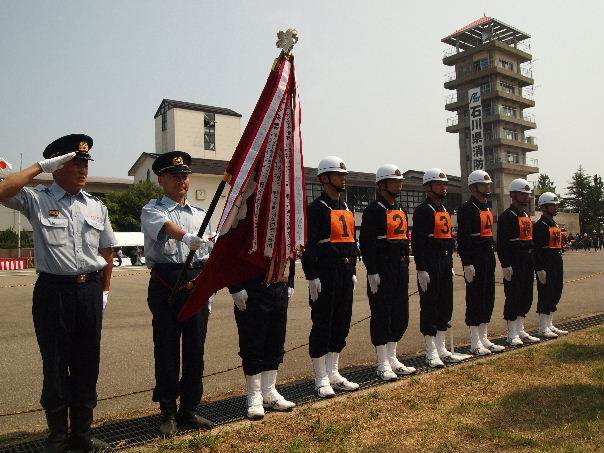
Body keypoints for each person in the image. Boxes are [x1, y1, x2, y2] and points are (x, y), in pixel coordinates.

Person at [0, 134, 115, 452]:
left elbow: (107, 251)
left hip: (89, 291)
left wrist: (104, 290)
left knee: (87, 362)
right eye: (75, 162)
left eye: (84, 162)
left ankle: (81, 434)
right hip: (54, 293)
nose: (82, 168)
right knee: (55, 364)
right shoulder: (38, 199)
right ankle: (57, 437)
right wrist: (39, 167)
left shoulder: (96, 205)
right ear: (58, 166)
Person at [141, 151, 214, 435]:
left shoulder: (200, 214)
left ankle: (189, 409)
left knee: (196, 349)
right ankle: (168, 411)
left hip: (196, 283)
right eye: (174, 176)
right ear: (161, 180)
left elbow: (208, 251)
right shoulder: (153, 208)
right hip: (166, 283)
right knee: (167, 349)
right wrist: (186, 237)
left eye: (184, 176)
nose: (181, 180)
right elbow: (166, 228)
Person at [302, 156, 360, 398]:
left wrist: (354, 270)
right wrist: (311, 275)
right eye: (338, 175)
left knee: (342, 321)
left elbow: (350, 242)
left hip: (345, 271)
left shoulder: (345, 207)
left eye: (344, 175)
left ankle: (333, 371)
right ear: (325, 178)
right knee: (323, 323)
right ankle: (320, 377)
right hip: (325, 272)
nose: (343, 178)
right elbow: (308, 244)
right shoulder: (316, 209)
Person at [359, 164, 416, 381]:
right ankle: (382, 361)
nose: (398, 184)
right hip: (382, 268)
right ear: (382, 184)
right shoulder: (374, 210)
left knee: (400, 313)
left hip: (400, 267)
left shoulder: (399, 209)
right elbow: (366, 243)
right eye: (394, 181)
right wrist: (372, 270)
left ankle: (393, 357)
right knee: (382, 313)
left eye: (400, 181)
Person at [412, 168, 466, 368]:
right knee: (430, 306)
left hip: (444, 262)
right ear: (428, 187)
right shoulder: (423, 211)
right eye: (439, 184)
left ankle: (441, 347)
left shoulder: (444, 210)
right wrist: (421, 267)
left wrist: (450, 263)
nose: (444, 187)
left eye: (445, 184)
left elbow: (448, 239)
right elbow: (418, 241)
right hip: (430, 262)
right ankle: (430, 351)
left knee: (446, 304)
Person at [230, 260, 297, 419]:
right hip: (251, 287)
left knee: (276, 340)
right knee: (253, 342)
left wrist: (290, 280)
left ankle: (269, 391)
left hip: (279, 285)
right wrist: (235, 287)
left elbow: (290, 250)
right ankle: (254, 396)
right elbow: (230, 252)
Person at [457, 170, 505, 356]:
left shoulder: (486, 207)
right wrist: (467, 263)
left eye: (488, 184)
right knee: (475, 298)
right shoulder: (468, 209)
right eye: (483, 185)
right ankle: (474, 340)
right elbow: (463, 239)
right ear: (473, 187)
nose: (487, 187)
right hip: (475, 258)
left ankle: (484, 336)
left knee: (488, 297)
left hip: (487, 257)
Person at [496, 178, 540, 346]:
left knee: (526, 295)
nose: (526, 197)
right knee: (513, 295)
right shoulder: (507, 216)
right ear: (513, 195)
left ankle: (520, 328)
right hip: (514, 260)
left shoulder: (526, 215)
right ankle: (512, 331)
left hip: (527, 259)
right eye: (523, 194)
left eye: (527, 195)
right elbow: (502, 243)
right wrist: (505, 264)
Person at [534, 192, 568, 337]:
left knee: (556, 292)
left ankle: (550, 324)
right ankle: (543, 327)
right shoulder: (540, 225)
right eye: (552, 205)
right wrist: (539, 268)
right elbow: (536, 249)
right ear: (544, 207)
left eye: (556, 205)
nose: (555, 208)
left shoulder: (553, 224)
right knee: (546, 294)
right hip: (546, 264)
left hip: (556, 262)